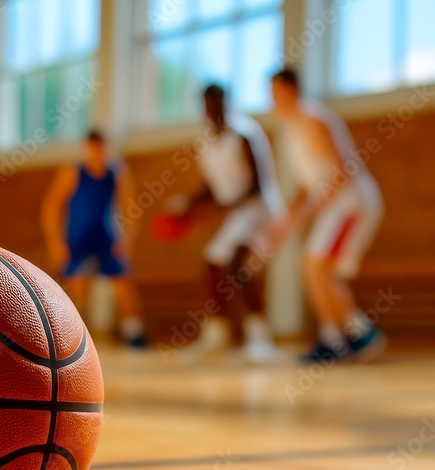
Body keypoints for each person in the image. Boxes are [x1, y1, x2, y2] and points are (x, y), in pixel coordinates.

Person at [269, 68, 386, 363]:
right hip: (337, 205)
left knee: (316, 268)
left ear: (289, 90)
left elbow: (341, 174)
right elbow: (307, 186)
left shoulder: (313, 121)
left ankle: (341, 340)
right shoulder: (293, 129)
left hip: (351, 203)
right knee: (320, 271)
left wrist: (310, 213)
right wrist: (286, 223)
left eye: (275, 93)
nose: (271, 100)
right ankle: (356, 337)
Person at [172, 84, 284, 364]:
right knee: (212, 264)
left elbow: (258, 185)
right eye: (208, 105)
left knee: (236, 264)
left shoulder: (245, 134)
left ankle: (260, 338)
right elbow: (213, 186)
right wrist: (188, 204)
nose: (213, 110)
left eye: (217, 103)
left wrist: (218, 208)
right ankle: (217, 335)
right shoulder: (207, 143)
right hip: (236, 215)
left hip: (260, 209)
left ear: (226, 103)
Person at [41, 129, 146, 348]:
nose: (98, 153)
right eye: (93, 149)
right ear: (87, 149)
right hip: (78, 239)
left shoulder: (117, 172)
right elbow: (51, 209)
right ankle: (72, 338)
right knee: (77, 286)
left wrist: (126, 239)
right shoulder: (71, 172)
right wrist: (55, 243)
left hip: (106, 237)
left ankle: (134, 333)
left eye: (101, 149)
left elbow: (130, 208)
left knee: (122, 283)